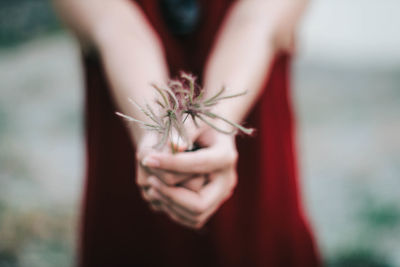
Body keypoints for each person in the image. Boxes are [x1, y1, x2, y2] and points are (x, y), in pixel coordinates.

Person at [54, 0, 321, 266]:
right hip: (129, 175)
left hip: (256, 168)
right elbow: (114, 25)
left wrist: (218, 121)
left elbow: (257, 22)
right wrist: (156, 129)